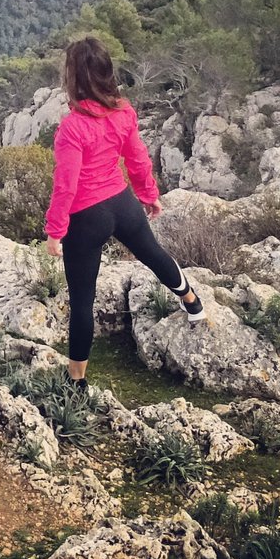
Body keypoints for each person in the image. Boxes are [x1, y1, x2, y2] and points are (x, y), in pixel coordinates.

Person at [44, 36, 205, 388]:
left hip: (87, 217)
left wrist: (55, 231)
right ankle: (192, 302)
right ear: (106, 72)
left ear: (73, 78)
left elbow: (66, 186)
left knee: (83, 300)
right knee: (154, 254)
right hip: (122, 202)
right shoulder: (124, 112)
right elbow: (136, 158)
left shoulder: (72, 128)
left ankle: (77, 383)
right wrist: (149, 194)